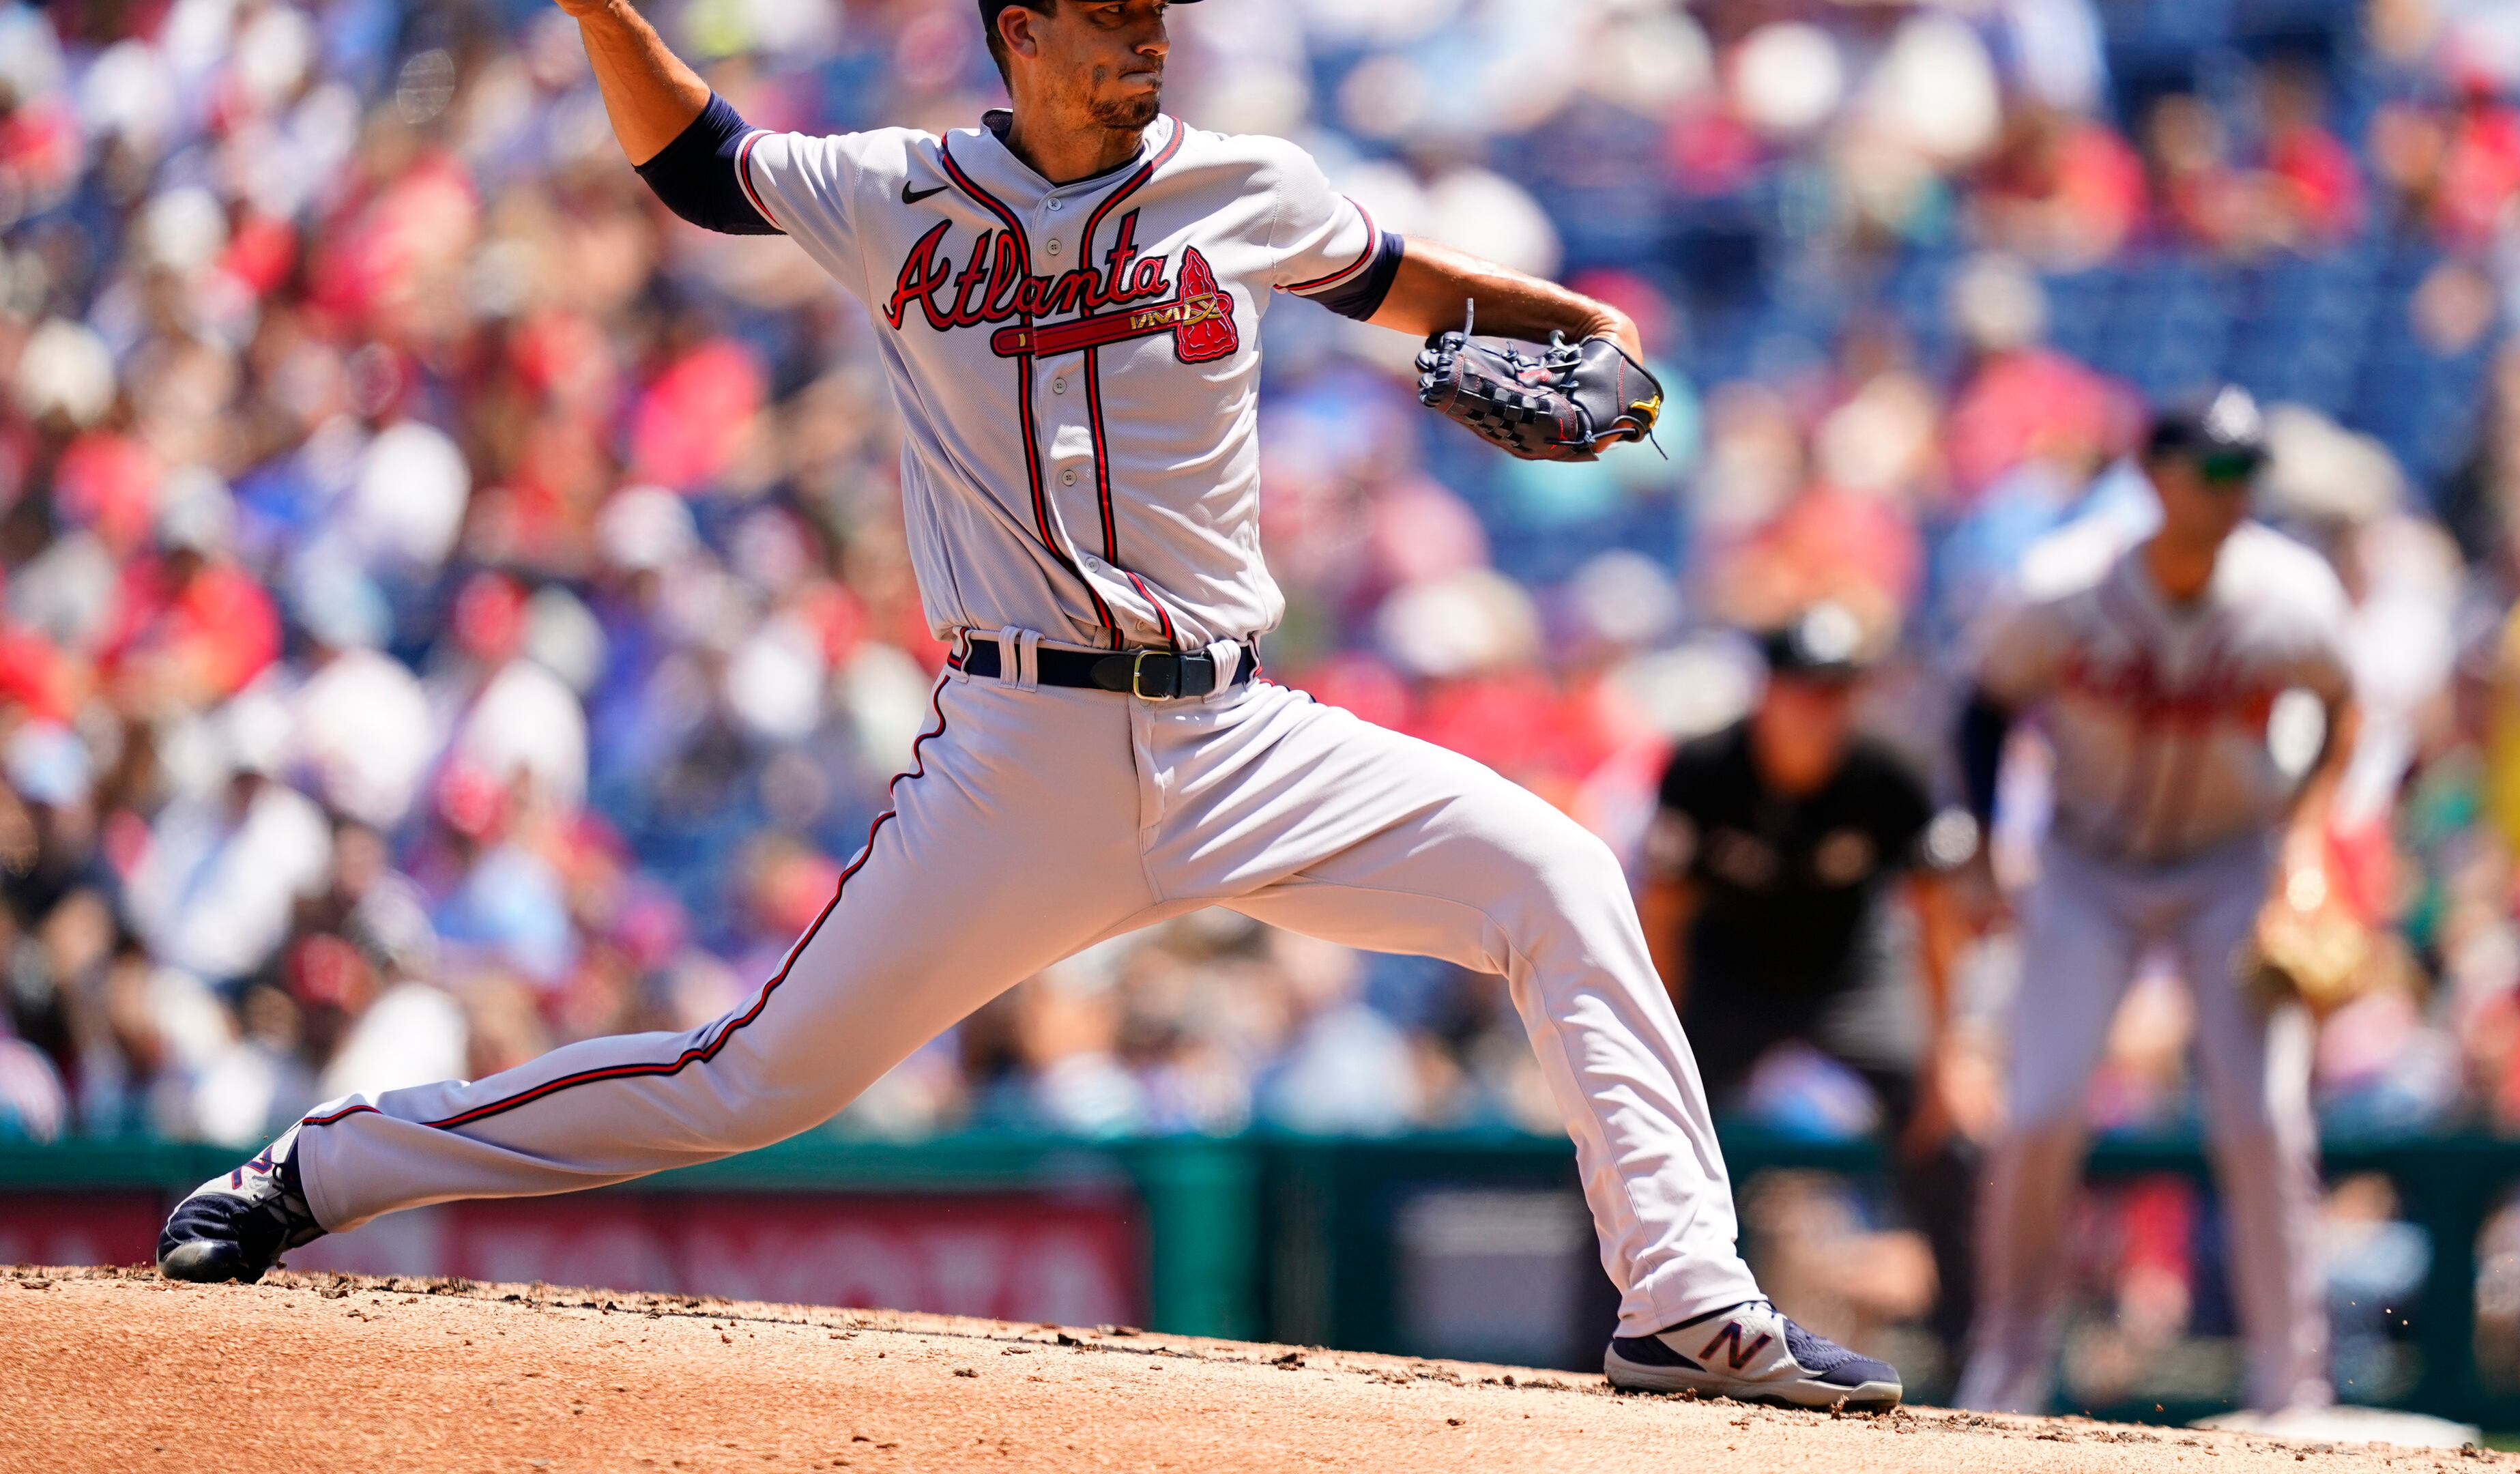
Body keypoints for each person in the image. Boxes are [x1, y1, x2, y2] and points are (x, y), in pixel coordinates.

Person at [154, 0, 1899, 1410]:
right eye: (1111, 11)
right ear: (1019, 32)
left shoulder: (1243, 181)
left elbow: (1410, 287)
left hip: (1239, 736)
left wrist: (1581, 325)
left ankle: (1683, 1304)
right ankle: (329, 1165)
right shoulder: (889, 186)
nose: (1149, 31)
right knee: (744, 1079)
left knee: (1557, 875)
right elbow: (698, 164)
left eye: (1156, 10)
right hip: (1015, 755)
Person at [1954, 386, 2354, 1414]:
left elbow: (2341, 707)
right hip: (2088, 866)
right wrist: (1984, 850)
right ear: (2155, 477)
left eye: (2246, 474)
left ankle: (2292, 1389)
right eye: (2214, 472)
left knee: (2265, 1117)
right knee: (2040, 1111)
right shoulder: (2063, 584)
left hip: (2232, 860)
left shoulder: (2290, 590)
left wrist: (2306, 842)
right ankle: (2007, 1365)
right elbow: (1984, 709)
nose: (2234, 493)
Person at [1638, 603, 1979, 1359]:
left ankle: (1976, 1348)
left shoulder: (1891, 771)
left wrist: (1946, 1056)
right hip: (1726, 974)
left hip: (1847, 976)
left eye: (1837, 690)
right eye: (1803, 688)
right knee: (1636, 1127)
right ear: (1766, 690)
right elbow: (1661, 911)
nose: (1819, 708)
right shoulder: (1703, 769)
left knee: (1946, 1131)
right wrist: (1655, 1038)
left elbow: (1936, 916)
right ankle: (1608, 1338)